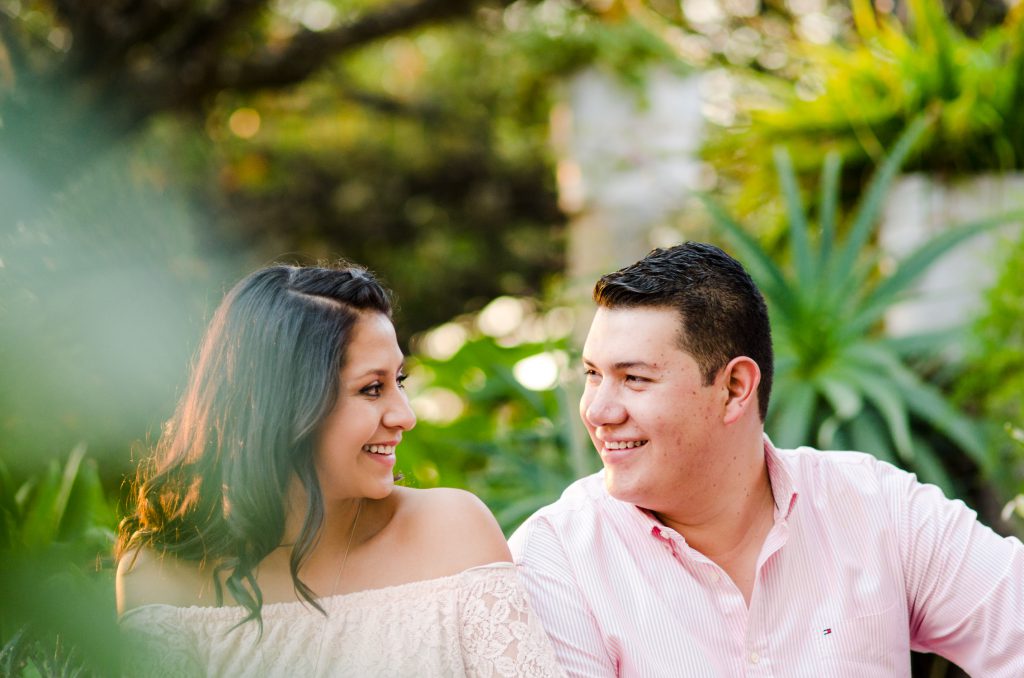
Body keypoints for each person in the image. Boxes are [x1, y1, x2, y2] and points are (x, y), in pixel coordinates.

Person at [508, 242, 1024, 677]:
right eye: (593, 375)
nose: (597, 410)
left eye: (634, 378)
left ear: (735, 388)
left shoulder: (876, 505)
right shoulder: (556, 560)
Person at [116, 263, 565, 678]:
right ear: (282, 406)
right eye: (372, 389)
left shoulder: (452, 530)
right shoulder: (160, 573)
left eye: (398, 382)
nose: (405, 416)